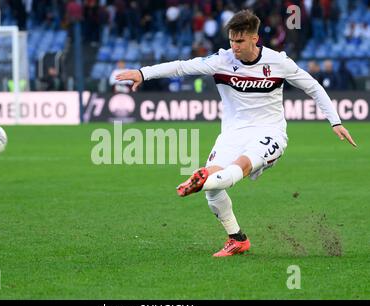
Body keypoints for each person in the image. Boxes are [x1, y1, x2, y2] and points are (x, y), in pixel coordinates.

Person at [116, 10, 356, 258]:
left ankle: (198, 181)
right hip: (232, 134)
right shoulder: (221, 60)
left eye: (240, 41)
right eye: (231, 40)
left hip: (269, 133)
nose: (234, 46)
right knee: (213, 191)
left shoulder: (278, 62)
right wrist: (143, 73)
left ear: (255, 38)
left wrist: (335, 121)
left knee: (231, 172)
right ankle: (237, 238)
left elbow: (314, 87)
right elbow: (180, 68)